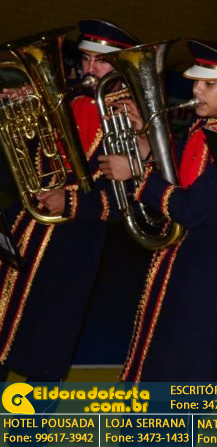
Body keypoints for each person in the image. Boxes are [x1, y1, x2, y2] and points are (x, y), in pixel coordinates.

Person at [99, 40, 217, 381]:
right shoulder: (206, 127)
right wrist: (146, 151)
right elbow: (181, 183)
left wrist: (137, 175)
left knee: (178, 367)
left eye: (209, 84)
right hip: (177, 262)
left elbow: (189, 209)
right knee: (152, 353)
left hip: (203, 277)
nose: (196, 89)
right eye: (196, 81)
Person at [0, 19, 140, 381]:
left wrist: (73, 203)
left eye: (101, 62)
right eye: (86, 59)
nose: (90, 69)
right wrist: (18, 113)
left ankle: (34, 408)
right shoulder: (66, 97)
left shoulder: (132, 118)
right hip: (24, 224)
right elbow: (30, 158)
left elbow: (128, 198)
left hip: (73, 239)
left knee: (47, 331)